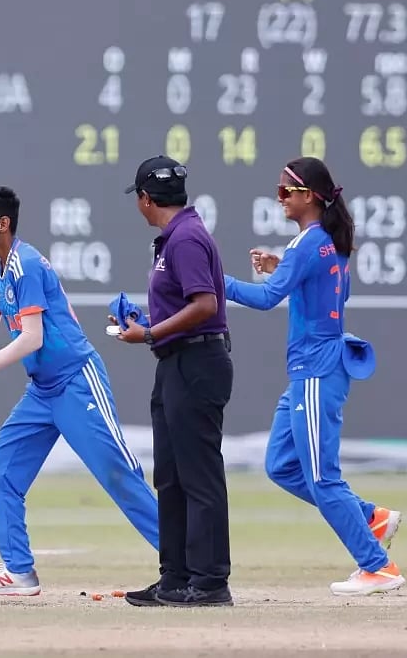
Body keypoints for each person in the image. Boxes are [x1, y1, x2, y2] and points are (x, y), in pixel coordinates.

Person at [0, 185, 158, 597]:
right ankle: (19, 572)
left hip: (77, 382)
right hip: (43, 390)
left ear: (2, 224)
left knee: (118, 473)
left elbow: (31, 337)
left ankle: (188, 563)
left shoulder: (26, 264)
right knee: (1, 469)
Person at [224, 157, 405, 596]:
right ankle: (369, 518)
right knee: (281, 466)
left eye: (286, 191)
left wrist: (214, 281)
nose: (279, 198)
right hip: (314, 370)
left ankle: (376, 566)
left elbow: (267, 299)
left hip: (317, 371)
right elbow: (330, 289)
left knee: (323, 477)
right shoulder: (324, 241)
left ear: (309, 197)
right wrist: (281, 265)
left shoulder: (309, 244)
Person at [113, 156, 234, 608]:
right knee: (171, 475)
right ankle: (176, 577)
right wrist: (147, 324)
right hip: (176, 361)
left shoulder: (185, 237)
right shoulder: (177, 236)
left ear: (146, 199)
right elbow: (186, 308)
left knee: (198, 477)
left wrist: (148, 333)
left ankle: (209, 582)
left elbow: (205, 305)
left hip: (197, 360)